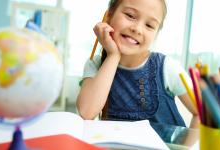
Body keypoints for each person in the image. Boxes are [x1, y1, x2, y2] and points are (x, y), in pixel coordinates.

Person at [76, 0, 199, 128]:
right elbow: (86, 112)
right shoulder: (95, 64)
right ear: (108, 16)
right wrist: (113, 56)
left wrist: (185, 148)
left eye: (149, 25)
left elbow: (201, 113)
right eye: (130, 15)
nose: (137, 29)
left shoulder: (167, 68)